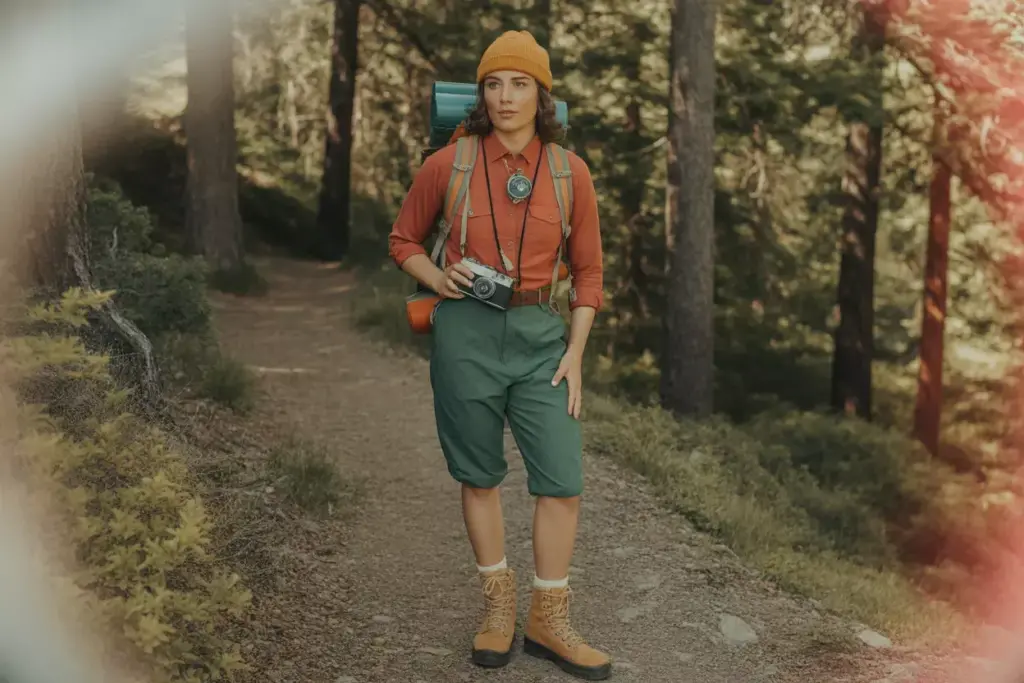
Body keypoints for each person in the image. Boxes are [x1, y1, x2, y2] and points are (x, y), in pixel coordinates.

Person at [387, 29, 610, 681]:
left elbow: (590, 273)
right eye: (494, 83)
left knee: (562, 480)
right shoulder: (447, 165)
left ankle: (549, 618)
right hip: (466, 337)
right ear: (480, 94)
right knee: (479, 474)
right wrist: (435, 278)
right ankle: (498, 605)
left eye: (520, 83)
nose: (506, 96)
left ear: (542, 94)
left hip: (543, 337)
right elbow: (404, 238)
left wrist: (575, 352)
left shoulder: (571, 173)